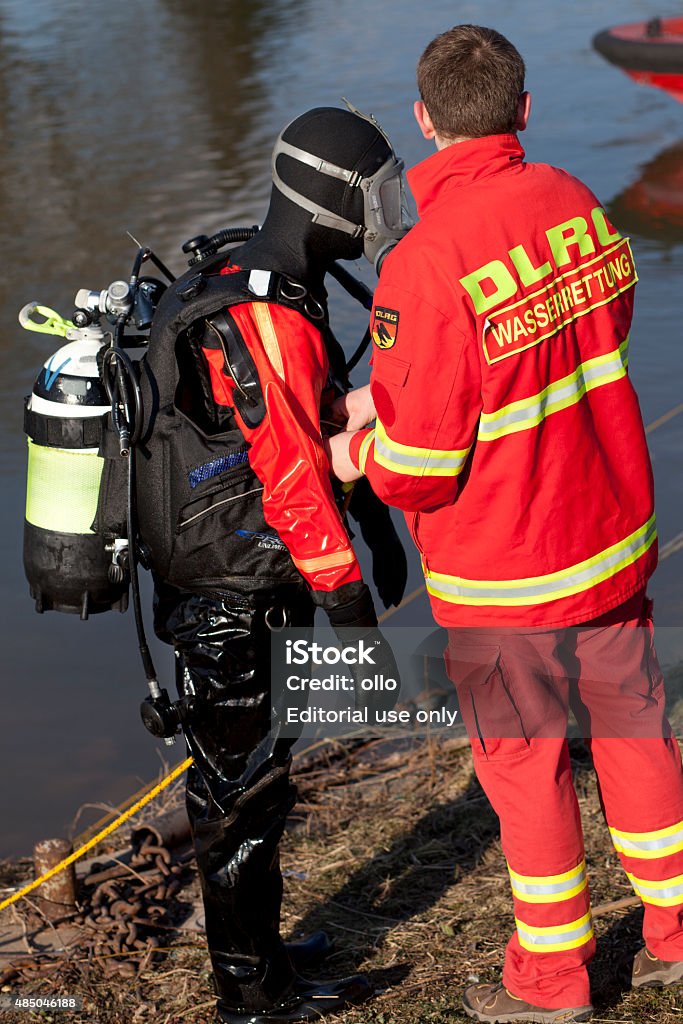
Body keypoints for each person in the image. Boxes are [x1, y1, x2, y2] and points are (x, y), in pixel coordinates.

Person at [327, 24, 683, 1024]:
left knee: (522, 761)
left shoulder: (421, 261)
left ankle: (552, 978)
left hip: (501, 571)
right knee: (632, 724)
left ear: (423, 122)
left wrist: (351, 451)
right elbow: (589, 340)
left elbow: (420, 468)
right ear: (523, 111)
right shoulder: (575, 203)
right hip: (608, 535)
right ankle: (673, 932)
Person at [134, 105, 410, 1023]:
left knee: (259, 780)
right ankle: (252, 993)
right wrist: (357, 618)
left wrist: (373, 499)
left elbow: (302, 419)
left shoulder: (268, 272)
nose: (386, 214)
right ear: (332, 201)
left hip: (236, 573)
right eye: (375, 195)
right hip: (231, 593)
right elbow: (293, 480)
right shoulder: (268, 309)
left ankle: (262, 950)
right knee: (239, 793)